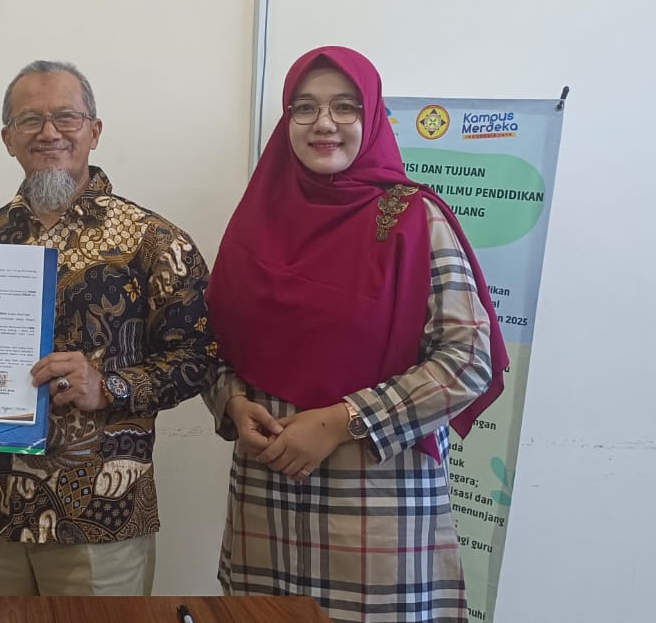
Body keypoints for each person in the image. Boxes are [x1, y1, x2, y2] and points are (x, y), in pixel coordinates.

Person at [0, 60, 217, 596]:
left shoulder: (155, 241)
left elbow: (199, 358)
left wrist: (108, 386)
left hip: (98, 514)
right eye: (30, 120)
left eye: (66, 117)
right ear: (8, 139)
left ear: (94, 131)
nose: (48, 133)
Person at [205, 47, 506, 623]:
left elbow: (469, 359)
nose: (324, 123)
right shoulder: (255, 221)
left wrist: (340, 422)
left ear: (371, 118)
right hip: (267, 504)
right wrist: (233, 404)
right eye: (305, 107)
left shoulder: (415, 219)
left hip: (376, 509)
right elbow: (213, 344)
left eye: (345, 107)